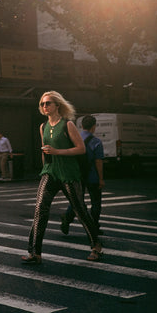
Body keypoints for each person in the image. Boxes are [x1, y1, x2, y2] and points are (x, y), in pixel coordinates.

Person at [21, 91, 102, 264]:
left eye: (48, 103)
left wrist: (58, 152)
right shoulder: (42, 127)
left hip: (68, 173)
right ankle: (35, 253)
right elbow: (44, 150)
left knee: (80, 210)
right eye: (42, 104)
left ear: (57, 105)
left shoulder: (67, 125)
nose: (44, 106)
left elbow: (81, 149)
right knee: (40, 209)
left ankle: (96, 245)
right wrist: (45, 167)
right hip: (50, 172)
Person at [61, 115, 105, 235]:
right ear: (93, 126)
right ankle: (94, 226)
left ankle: (67, 219)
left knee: (76, 201)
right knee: (96, 202)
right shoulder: (96, 142)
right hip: (92, 176)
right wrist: (101, 178)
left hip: (77, 175)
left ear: (82, 126)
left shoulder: (75, 139)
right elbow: (98, 161)